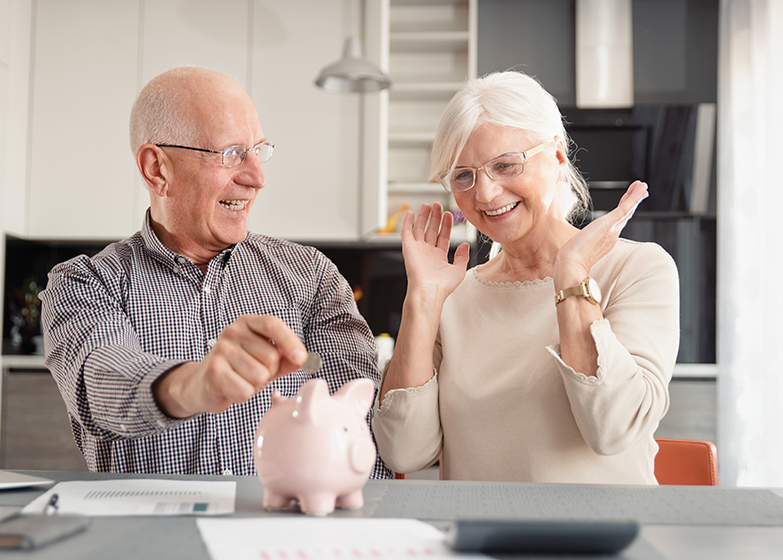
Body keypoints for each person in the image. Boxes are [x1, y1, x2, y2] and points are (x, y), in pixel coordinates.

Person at [39, 66, 390, 477]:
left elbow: (357, 419)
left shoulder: (309, 275)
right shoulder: (84, 283)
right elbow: (100, 382)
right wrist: (193, 384)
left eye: (258, 150)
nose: (257, 178)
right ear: (157, 169)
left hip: (286, 529)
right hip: (149, 537)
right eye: (231, 154)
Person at [371, 71, 679, 484]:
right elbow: (404, 451)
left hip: (600, 543)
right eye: (463, 175)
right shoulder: (453, 295)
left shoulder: (638, 269)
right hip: (477, 542)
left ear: (557, 156)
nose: (484, 194)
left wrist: (571, 275)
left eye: (504, 165)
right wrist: (422, 300)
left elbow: (614, 428)